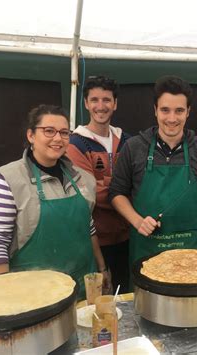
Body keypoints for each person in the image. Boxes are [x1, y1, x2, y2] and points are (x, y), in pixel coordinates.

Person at [0, 104, 110, 298]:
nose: (58, 138)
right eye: (49, 131)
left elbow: (88, 227)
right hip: (32, 296)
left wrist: (102, 268)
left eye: (64, 133)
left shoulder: (83, 179)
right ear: (31, 135)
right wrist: (4, 295)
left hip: (83, 287)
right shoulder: (5, 182)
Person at [109, 75, 197, 266]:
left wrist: (180, 208)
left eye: (179, 111)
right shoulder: (133, 147)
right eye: (165, 110)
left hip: (189, 253)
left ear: (188, 112)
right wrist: (137, 221)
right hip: (146, 250)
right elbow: (117, 193)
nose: (171, 118)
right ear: (155, 110)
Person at [67, 76, 130, 294]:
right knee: (100, 301)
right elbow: (89, 192)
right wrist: (123, 189)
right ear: (86, 103)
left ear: (115, 103)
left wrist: (106, 183)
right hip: (95, 241)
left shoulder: (127, 141)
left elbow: (138, 183)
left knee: (127, 297)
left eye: (106, 100)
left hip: (129, 237)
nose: (100, 106)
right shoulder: (75, 143)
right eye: (94, 100)